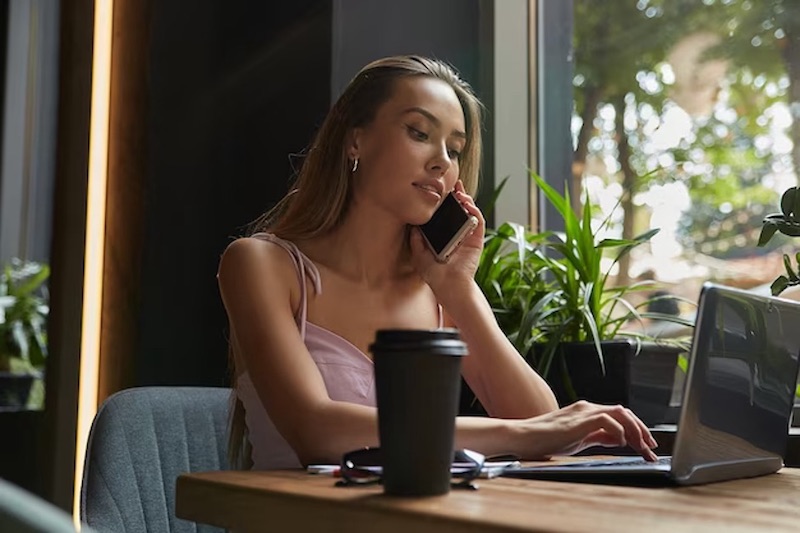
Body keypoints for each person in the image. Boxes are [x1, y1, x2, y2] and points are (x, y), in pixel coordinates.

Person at [217, 55, 659, 470]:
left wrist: (459, 291)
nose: (442, 162)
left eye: (455, 148)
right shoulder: (261, 265)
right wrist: (518, 434)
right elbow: (317, 432)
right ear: (356, 140)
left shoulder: (439, 294)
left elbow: (540, 422)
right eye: (419, 133)